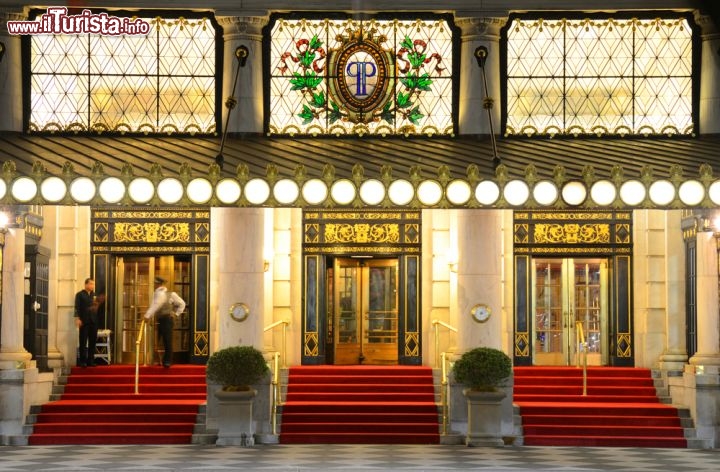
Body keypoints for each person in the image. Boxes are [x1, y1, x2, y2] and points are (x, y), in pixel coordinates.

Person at [144, 276, 186, 368]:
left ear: (159, 284)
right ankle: (159, 360)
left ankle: (167, 361)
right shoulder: (156, 293)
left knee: (167, 340)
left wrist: (176, 314)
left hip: (167, 320)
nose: (154, 285)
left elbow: (182, 303)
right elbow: (155, 306)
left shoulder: (170, 294)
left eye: (155, 283)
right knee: (158, 341)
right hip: (159, 320)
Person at [74, 277, 101, 367]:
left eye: (93, 284)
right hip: (84, 321)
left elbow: (98, 309)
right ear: (86, 284)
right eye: (91, 284)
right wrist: (77, 318)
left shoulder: (95, 295)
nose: (92, 286)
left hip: (94, 322)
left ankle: (91, 360)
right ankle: (82, 361)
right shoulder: (80, 295)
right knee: (83, 341)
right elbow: (76, 307)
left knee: (92, 342)